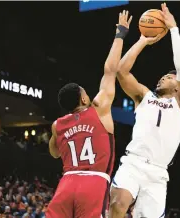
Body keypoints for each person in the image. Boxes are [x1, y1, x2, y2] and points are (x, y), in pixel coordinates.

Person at [109, 3, 180, 218]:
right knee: (118, 204)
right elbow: (121, 71)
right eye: (162, 75)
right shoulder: (144, 97)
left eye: (169, 76)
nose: (162, 77)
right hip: (133, 162)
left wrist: (173, 29)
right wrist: (142, 40)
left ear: (178, 86)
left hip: (158, 173)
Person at [46, 11, 133, 218]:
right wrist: (120, 35)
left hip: (67, 183)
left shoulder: (57, 125)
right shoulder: (99, 107)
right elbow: (110, 70)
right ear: (84, 99)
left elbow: (54, 153)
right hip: (93, 181)